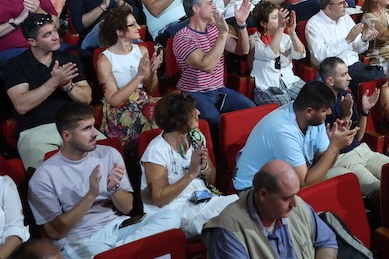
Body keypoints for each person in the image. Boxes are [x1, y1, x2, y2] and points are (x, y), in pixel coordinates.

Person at [27, 103, 181, 259]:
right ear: (67, 136)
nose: (95, 133)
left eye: (94, 126)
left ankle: (117, 253)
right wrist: (90, 196)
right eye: (87, 129)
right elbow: (54, 232)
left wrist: (114, 189)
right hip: (83, 241)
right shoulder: (42, 177)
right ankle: (126, 253)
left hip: (118, 229)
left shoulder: (109, 154)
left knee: (170, 217)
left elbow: (129, 209)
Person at [4, 15, 94, 171]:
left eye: (54, 31)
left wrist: (68, 86)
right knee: (48, 172)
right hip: (36, 131)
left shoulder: (68, 58)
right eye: (47, 35)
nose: (55, 37)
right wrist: (54, 82)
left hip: (74, 124)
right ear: (32, 42)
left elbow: (86, 98)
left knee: (107, 156)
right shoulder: (16, 65)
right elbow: (21, 105)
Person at [140, 93, 238, 236]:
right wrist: (191, 173)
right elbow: (159, 199)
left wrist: (204, 167)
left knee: (240, 207)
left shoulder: (196, 137)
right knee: (232, 216)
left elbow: (211, 180)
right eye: (193, 111)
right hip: (175, 211)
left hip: (204, 201)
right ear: (179, 120)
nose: (198, 112)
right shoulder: (156, 151)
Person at [231, 81, 358, 191]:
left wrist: (335, 143)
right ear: (309, 111)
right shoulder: (283, 130)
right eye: (325, 110)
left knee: (347, 180)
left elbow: (324, 163)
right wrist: (334, 147)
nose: (329, 113)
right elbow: (305, 184)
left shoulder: (314, 119)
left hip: (290, 177)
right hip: (255, 189)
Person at [203, 159, 339, 258]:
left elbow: (327, 242)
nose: (295, 203)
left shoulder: (297, 206)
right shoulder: (229, 233)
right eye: (286, 198)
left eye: (295, 194)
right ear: (263, 195)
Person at [171, 0, 255, 129]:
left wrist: (241, 24)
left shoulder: (214, 28)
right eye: (210, 3)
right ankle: (214, 150)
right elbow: (207, 66)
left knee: (250, 109)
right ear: (196, 8)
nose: (214, 6)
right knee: (213, 119)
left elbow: (242, 50)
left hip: (218, 89)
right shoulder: (183, 37)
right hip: (194, 92)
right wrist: (222, 34)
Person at [319, 57, 389, 200]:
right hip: (341, 158)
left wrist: (365, 111)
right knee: (378, 189)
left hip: (362, 150)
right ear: (329, 81)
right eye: (344, 75)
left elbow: (358, 137)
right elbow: (331, 146)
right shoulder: (320, 106)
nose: (350, 78)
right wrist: (346, 115)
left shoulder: (347, 95)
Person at [96, 5, 163, 152]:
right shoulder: (105, 60)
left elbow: (150, 90)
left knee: (171, 110)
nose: (138, 27)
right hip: (120, 107)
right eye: (132, 25)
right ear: (119, 31)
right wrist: (139, 76)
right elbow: (113, 100)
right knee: (150, 115)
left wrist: (154, 71)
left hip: (143, 100)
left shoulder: (142, 50)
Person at [305, 0, 382, 86]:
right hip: (336, 73)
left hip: (355, 65)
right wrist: (347, 40)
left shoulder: (345, 18)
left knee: (384, 77)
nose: (346, 5)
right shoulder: (314, 25)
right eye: (341, 3)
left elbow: (358, 49)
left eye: (345, 1)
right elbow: (320, 56)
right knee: (379, 81)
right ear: (329, 8)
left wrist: (363, 39)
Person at [249, 1, 306, 106]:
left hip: (290, 82)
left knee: (313, 96)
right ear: (264, 23)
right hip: (267, 87)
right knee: (286, 105)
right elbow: (270, 54)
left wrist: (292, 32)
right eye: (276, 17)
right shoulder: (255, 40)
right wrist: (280, 28)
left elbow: (300, 55)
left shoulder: (286, 37)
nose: (281, 20)